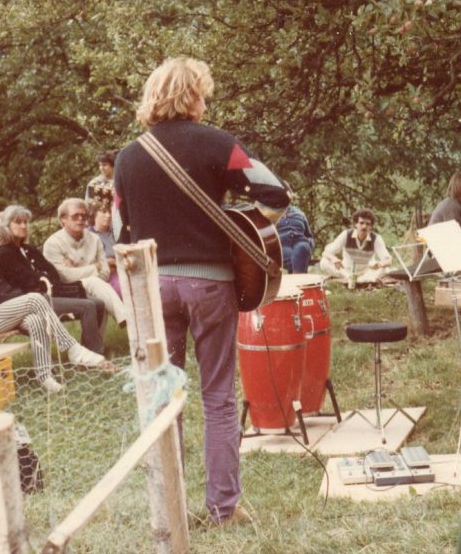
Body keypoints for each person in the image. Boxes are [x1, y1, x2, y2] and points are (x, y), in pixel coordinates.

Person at [115, 57, 290, 527]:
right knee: (218, 397)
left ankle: (170, 510)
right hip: (211, 284)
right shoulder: (219, 144)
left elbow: (119, 231)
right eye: (203, 95)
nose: (206, 104)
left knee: (162, 397)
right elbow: (276, 195)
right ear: (192, 96)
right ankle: (223, 508)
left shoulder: (127, 157)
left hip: (154, 288)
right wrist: (242, 225)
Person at [0, 208, 114, 392]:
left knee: (35, 320)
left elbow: (5, 289)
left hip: (1, 313)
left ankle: (45, 377)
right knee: (35, 299)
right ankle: (73, 349)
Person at [0, 205, 107, 355]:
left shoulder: (28, 248)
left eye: (25, 222)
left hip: (48, 294)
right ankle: (95, 354)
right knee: (88, 306)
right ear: (6, 226)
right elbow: (27, 282)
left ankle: (88, 350)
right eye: (18, 222)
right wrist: (41, 276)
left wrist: (42, 276)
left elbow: (52, 272)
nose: (23, 226)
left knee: (98, 303)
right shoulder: (3, 254)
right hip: (31, 302)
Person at [43, 198, 127, 328]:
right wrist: (94, 267)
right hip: (64, 291)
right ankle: (126, 318)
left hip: (94, 287)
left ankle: (96, 342)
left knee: (98, 292)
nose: (81, 219)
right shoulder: (52, 244)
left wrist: (77, 270)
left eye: (84, 215)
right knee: (94, 283)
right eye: (75, 216)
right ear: (63, 219)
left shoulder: (94, 239)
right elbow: (64, 276)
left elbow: (105, 273)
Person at [320, 209, 392, 285]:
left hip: (366, 272)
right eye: (361, 223)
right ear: (355, 224)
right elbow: (326, 252)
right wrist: (334, 259)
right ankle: (354, 279)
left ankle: (360, 280)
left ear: (371, 226)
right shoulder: (346, 234)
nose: (364, 226)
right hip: (346, 272)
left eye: (367, 224)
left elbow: (389, 260)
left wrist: (380, 264)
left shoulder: (376, 238)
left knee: (386, 269)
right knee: (324, 262)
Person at [87, 204, 120, 295]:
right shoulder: (88, 235)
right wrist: (106, 261)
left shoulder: (115, 232)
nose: (108, 215)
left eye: (110, 212)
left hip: (120, 271)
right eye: (104, 212)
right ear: (94, 214)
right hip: (103, 276)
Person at [276, 204, 315, 274]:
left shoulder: (300, 213)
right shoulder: (271, 213)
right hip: (283, 245)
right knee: (297, 258)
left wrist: (310, 244)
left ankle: (297, 277)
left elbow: (309, 235)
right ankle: (300, 278)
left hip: (301, 241)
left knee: (302, 248)